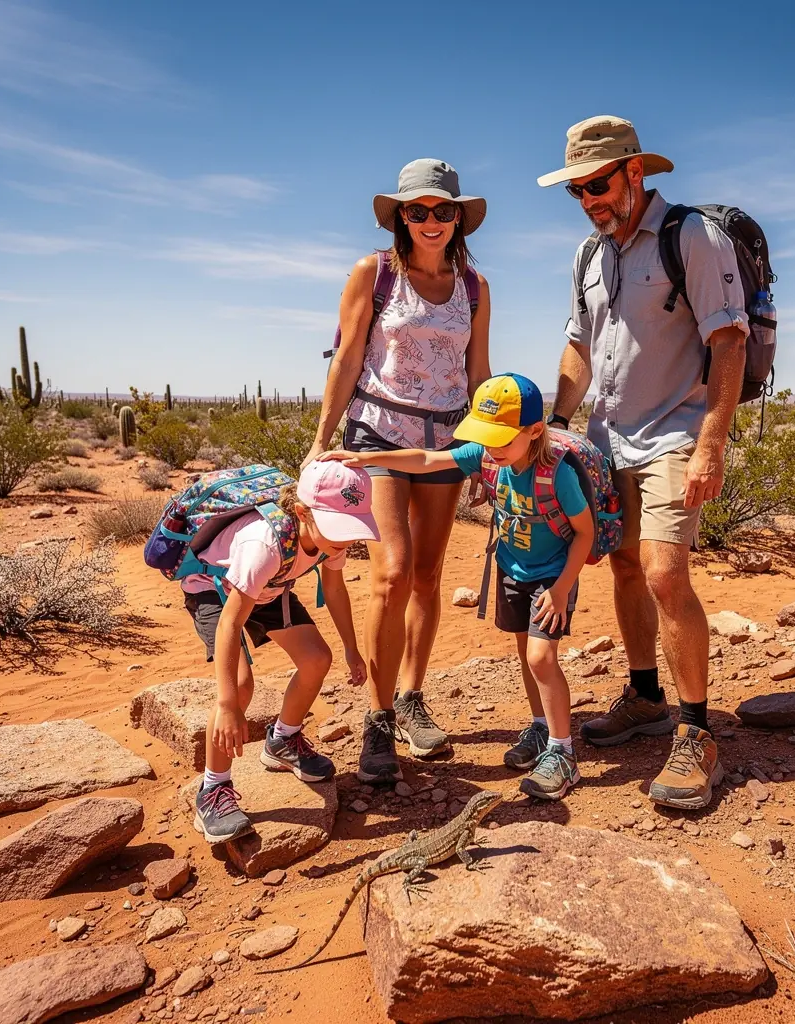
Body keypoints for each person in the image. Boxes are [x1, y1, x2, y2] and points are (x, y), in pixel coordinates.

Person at [538, 115, 749, 809]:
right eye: (577, 191)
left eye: (597, 184)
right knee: (624, 564)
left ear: (634, 172)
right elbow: (577, 347)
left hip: (676, 431)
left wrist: (713, 441)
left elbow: (728, 342)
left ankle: (697, 733)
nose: (589, 200)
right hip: (607, 437)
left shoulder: (691, 236)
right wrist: (556, 426)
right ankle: (645, 696)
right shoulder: (587, 255)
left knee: (663, 571)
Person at [303, 159, 491, 784]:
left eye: (443, 211)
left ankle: (411, 695)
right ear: (401, 217)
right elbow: (348, 356)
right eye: (418, 211)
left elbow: (478, 370)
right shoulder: (375, 273)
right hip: (377, 437)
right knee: (391, 572)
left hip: (446, 441)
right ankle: (378, 718)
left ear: (459, 217)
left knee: (431, 574)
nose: (431, 221)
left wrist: (491, 443)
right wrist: (321, 441)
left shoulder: (474, 286)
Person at [319, 374, 593, 801]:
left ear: (534, 431)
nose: (490, 448)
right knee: (525, 651)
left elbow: (585, 534)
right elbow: (429, 460)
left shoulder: (558, 475)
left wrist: (561, 588)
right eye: (484, 438)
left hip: (552, 576)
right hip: (513, 571)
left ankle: (563, 753)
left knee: (540, 656)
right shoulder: (487, 455)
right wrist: (369, 459)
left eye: (500, 439)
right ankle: (541, 729)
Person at [184, 461, 377, 843]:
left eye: (351, 528)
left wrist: (351, 649)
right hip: (216, 589)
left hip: (272, 587)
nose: (346, 540)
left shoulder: (328, 538)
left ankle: (282, 740)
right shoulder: (263, 544)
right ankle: (213, 788)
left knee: (317, 659)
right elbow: (230, 623)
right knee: (239, 686)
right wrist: (226, 705)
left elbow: (335, 589)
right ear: (303, 512)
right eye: (339, 527)